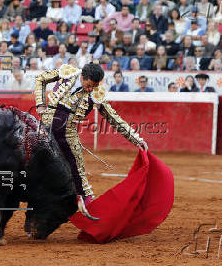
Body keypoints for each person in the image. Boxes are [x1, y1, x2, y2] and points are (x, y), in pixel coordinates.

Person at [34, 63, 148, 209]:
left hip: (68, 133)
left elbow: (113, 118)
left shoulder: (96, 93)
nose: (89, 89)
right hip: (45, 127)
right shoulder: (68, 72)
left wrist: (136, 139)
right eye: (88, 85)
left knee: (78, 169)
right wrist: (40, 103)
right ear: (82, 77)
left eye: (93, 87)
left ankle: (86, 203)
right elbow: (41, 79)